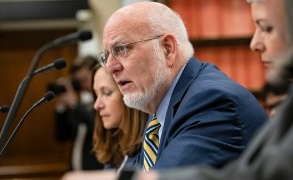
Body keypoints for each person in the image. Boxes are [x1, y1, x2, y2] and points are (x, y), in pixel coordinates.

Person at [61, 0, 293, 179]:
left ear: (168, 48)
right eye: (106, 55)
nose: (110, 66)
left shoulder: (211, 100)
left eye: (121, 49)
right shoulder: (158, 108)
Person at [91, 64, 148, 169]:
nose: (97, 105)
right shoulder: (114, 147)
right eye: (96, 95)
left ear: (128, 95)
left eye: (106, 93)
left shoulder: (150, 150)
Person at [53, 56, 103, 170]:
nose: (82, 85)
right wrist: (61, 107)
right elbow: (62, 136)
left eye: (84, 80)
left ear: (97, 74)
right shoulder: (83, 107)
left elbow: (97, 127)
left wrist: (74, 103)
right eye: (78, 81)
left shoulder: (102, 106)